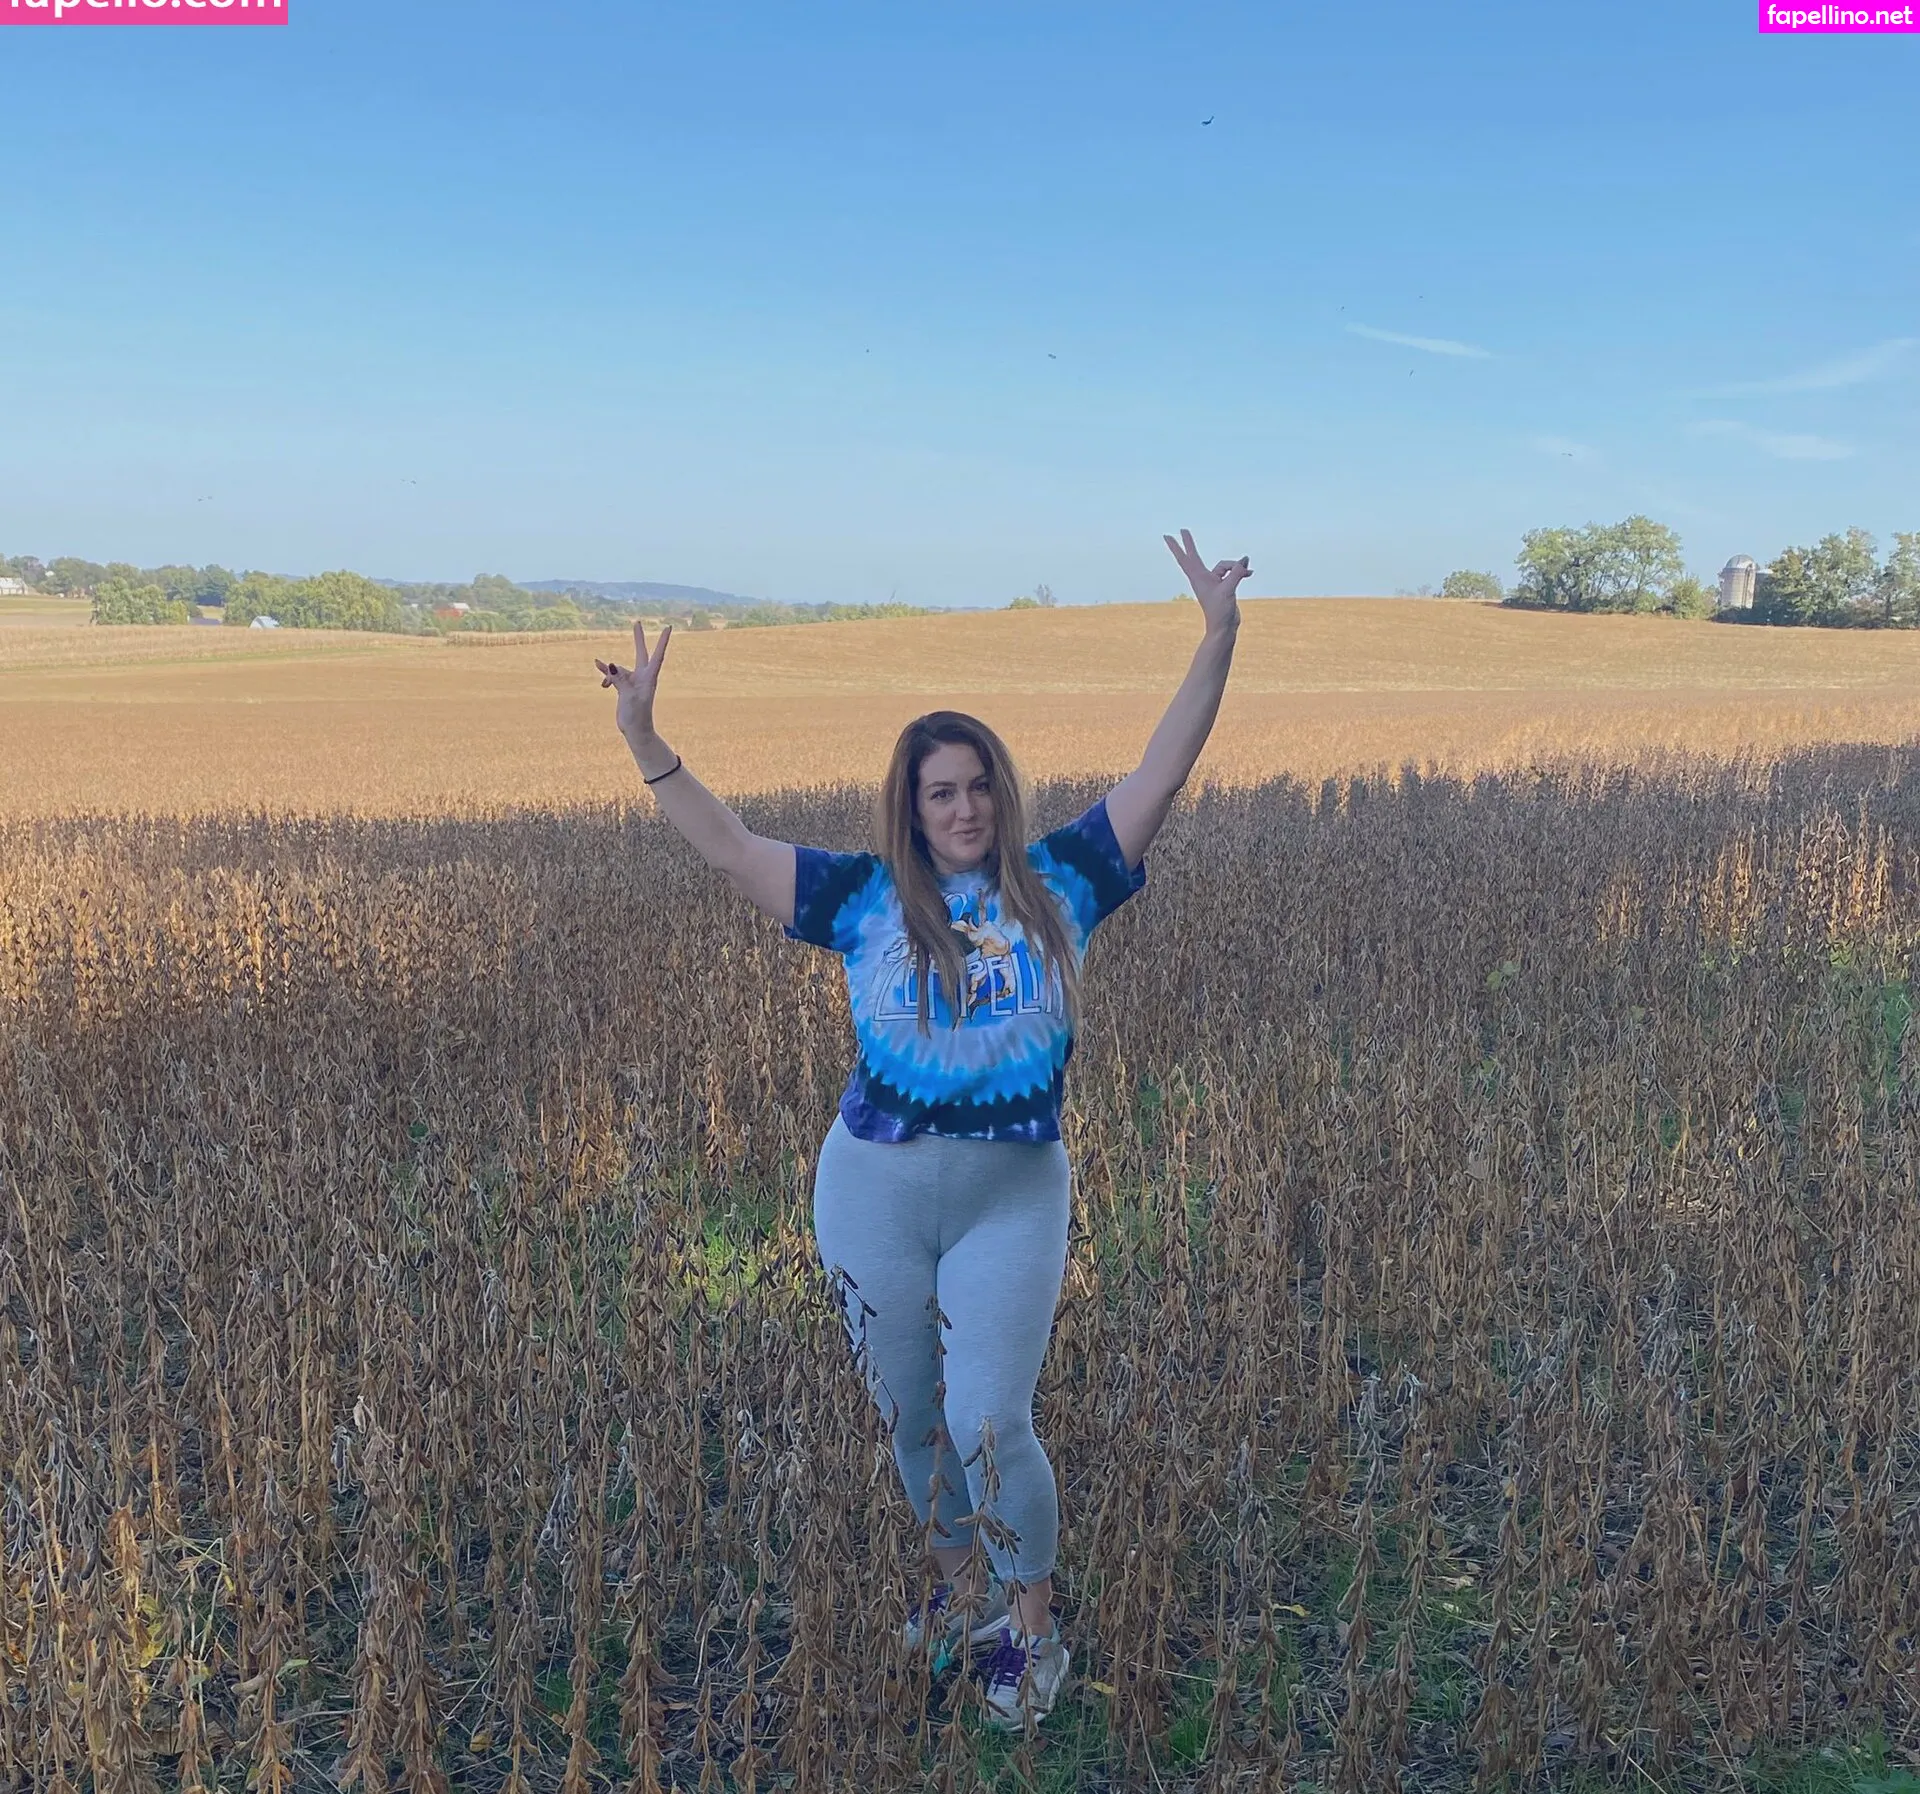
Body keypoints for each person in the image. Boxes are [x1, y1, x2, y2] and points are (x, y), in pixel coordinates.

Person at [596, 530, 1249, 1729]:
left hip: (1013, 1193)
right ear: (911, 806)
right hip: (873, 1191)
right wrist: (647, 743)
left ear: (1003, 789)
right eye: (940, 791)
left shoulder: (1065, 880)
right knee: (912, 1423)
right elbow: (730, 848)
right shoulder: (862, 899)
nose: (964, 807)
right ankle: (962, 1599)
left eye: (979, 784)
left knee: (988, 1420)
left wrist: (1218, 635)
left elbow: (1165, 768)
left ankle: (1032, 1633)